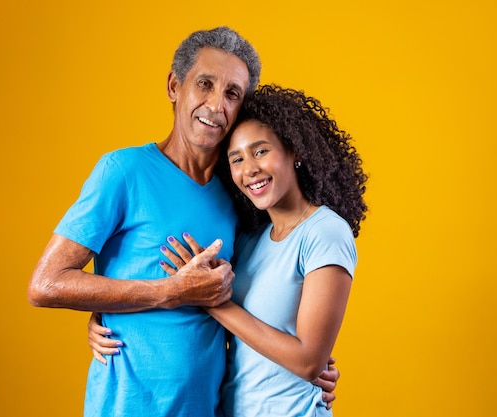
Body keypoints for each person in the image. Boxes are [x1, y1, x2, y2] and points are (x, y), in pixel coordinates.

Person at [28, 26, 339, 417]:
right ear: (175, 86)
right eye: (204, 84)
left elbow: (262, 295)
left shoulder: (242, 195)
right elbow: (45, 284)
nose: (215, 105)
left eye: (232, 94)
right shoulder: (123, 171)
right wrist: (166, 292)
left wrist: (311, 364)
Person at [89, 84, 367, 416]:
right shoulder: (249, 240)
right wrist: (105, 316)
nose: (249, 169)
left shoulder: (325, 232)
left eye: (261, 151)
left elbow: (308, 362)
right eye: (236, 158)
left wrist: (205, 297)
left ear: (295, 152)